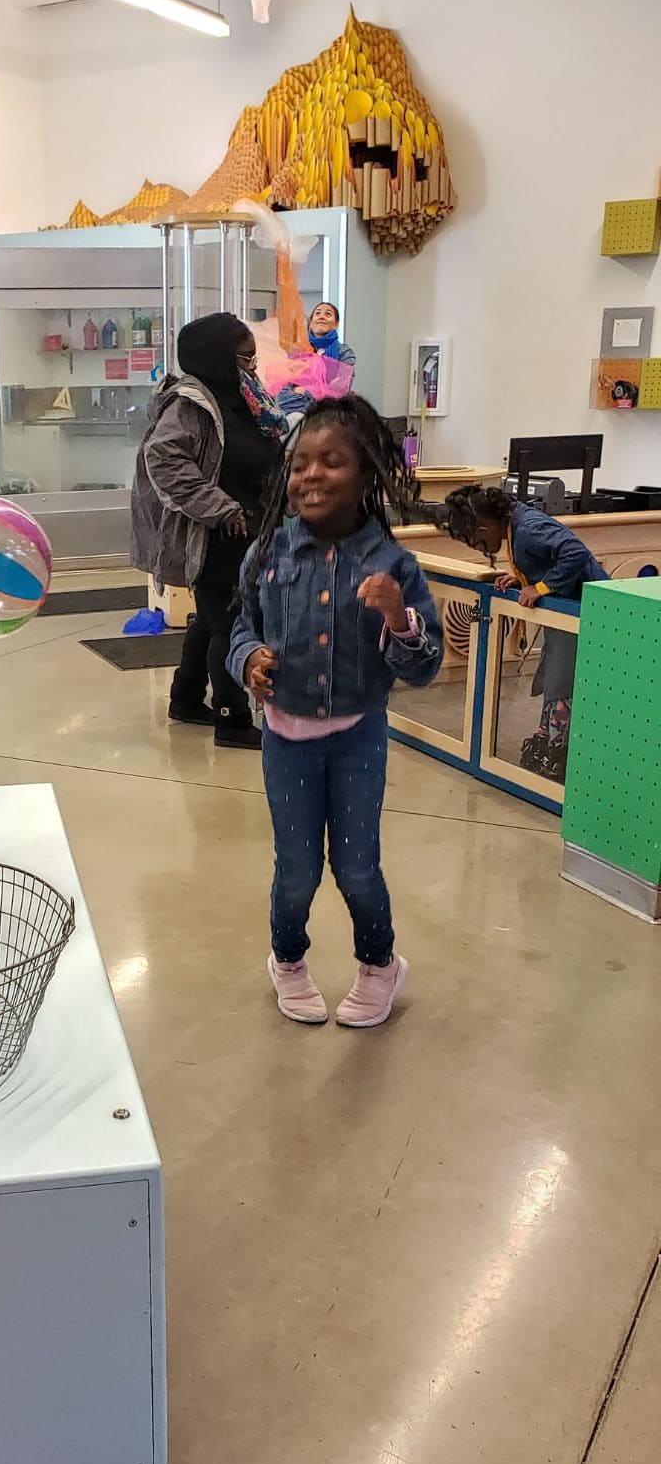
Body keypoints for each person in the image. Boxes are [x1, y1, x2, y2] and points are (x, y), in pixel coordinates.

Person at [227, 395, 442, 1028]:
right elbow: (244, 622)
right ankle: (287, 960)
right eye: (300, 464)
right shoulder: (267, 555)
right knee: (296, 870)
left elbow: (423, 667)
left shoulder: (393, 565)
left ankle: (381, 965)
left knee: (356, 867)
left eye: (331, 462)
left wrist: (398, 620)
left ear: (368, 474)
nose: (310, 475)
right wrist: (247, 659)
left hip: (358, 737)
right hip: (284, 739)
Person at [130, 312, 287, 750]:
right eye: (244, 358)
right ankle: (232, 719)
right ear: (217, 358)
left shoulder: (247, 401)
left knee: (212, 618)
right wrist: (220, 508)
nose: (253, 367)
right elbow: (162, 460)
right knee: (231, 623)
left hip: (252, 529)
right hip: (218, 537)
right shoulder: (192, 404)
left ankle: (185, 697)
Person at [438, 486, 608, 782]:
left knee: (562, 680)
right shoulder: (516, 525)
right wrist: (521, 579)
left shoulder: (527, 528)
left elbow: (574, 553)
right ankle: (550, 739)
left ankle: (560, 751)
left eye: (476, 541)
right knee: (555, 678)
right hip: (565, 614)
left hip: (585, 612)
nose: (479, 548)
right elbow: (546, 559)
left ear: (483, 527)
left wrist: (541, 588)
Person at [276, 301, 358, 421]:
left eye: (328, 314)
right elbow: (283, 397)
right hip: (297, 416)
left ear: (336, 324)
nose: (322, 316)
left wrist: (304, 391)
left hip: (331, 418)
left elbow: (338, 391)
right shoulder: (296, 353)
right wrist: (318, 396)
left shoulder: (345, 353)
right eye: (317, 313)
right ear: (311, 322)